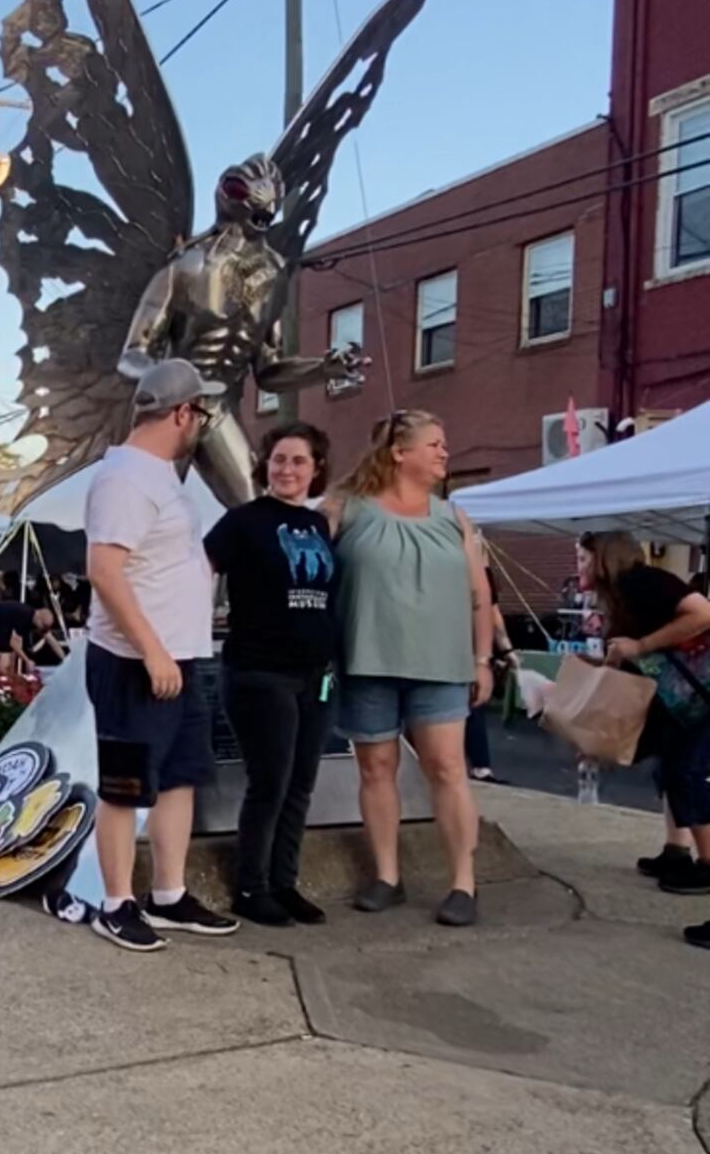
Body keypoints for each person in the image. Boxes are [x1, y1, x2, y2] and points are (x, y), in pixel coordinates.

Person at [84, 358, 237, 951]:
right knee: (124, 787)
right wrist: (151, 652)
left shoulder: (160, 477)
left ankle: (168, 895)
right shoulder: (126, 477)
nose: (202, 421)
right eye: (200, 411)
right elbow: (105, 570)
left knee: (179, 779)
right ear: (181, 412)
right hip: (134, 661)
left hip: (181, 655)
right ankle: (116, 901)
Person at [326, 410, 494, 928]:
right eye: (435, 444)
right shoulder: (345, 508)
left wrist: (483, 658)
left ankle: (463, 883)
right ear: (400, 453)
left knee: (447, 768)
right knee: (376, 769)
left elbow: (478, 593)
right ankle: (387, 876)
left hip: (442, 664)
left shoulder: (452, 517)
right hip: (368, 659)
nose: (445, 453)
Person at [204, 422, 340, 927]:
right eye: (279, 460)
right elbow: (200, 569)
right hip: (260, 672)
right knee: (270, 782)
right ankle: (250, 886)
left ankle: (285, 882)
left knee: (302, 783)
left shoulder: (320, 526)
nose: (287, 469)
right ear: (265, 466)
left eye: (298, 461)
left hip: (315, 675)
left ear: (316, 468)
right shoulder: (241, 522)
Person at [578, 532, 710, 939]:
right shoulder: (624, 595)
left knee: (687, 777)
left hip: (701, 696)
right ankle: (678, 854)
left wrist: (641, 645)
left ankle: (702, 865)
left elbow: (702, 614)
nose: (578, 566)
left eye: (583, 558)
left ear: (603, 558)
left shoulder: (641, 581)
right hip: (688, 700)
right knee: (672, 772)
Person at [463, 565, 514, 782]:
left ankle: (479, 767)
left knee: (473, 708)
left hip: (468, 651)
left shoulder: (480, 574)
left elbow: (492, 611)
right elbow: (494, 614)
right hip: (455, 650)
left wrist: (505, 648)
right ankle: (479, 767)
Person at [0, 599, 64, 676]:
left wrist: (66, 659)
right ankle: (2, 679)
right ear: (39, 620)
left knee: (9, 654)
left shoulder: (33, 617)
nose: (43, 630)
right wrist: (27, 660)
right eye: (44, 627)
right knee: (5, 654)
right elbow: (13, 642)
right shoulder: (24, 617)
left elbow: (50, 638)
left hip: (0, 626)